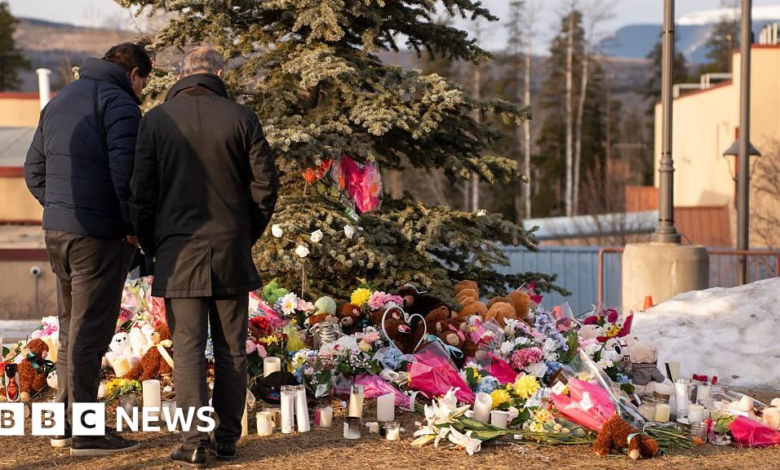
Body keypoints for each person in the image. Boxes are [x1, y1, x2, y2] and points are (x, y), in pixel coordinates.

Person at [130, 47, 278, 468]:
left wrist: (153, 243)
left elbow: (141, 193)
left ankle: (195, 439)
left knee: (189, 348)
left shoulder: (156, 120)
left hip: (178, 250)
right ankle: (228, 439)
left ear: (181, 74)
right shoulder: (241, 118)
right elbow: (265, 187)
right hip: (230, 246)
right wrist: (244, 234)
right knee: (232, 348)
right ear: (216, 72)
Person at [24, 43, 151, 455]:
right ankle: (87, 432)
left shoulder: (61, 100)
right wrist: (132, 228)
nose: (144, 91)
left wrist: (59, 209)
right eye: (145, 82)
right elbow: (125, 175)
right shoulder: (119, 105)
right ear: (133, 73)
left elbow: (34, 169)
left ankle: (65, 424)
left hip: (58, 233)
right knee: (90, 337)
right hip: (98, 237)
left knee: (71, 329)